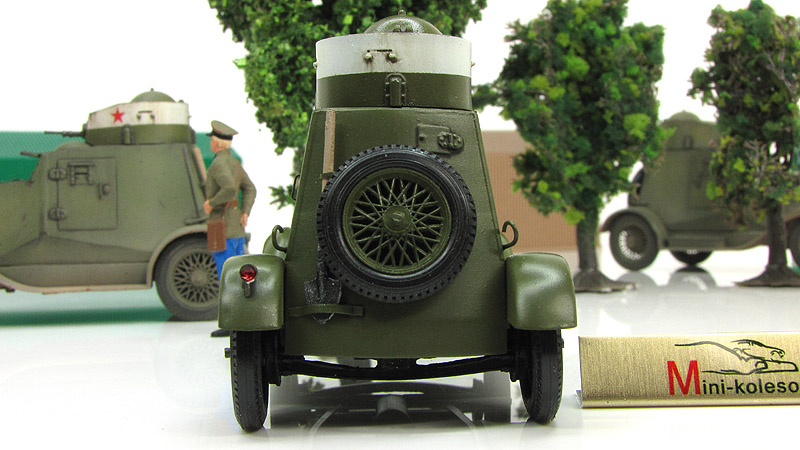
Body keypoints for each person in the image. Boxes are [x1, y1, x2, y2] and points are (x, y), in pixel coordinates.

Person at [204, 120, 256, 278]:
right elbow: (250, 188)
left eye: (212, 140)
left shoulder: (218, 164)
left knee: (226, 274)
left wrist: (211, 203)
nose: (211, 143)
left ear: (216, 143)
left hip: (222, 226)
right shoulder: (234, 163)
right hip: (237, 226)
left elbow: (229, 189)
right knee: (239, 272)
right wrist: (245, 212)